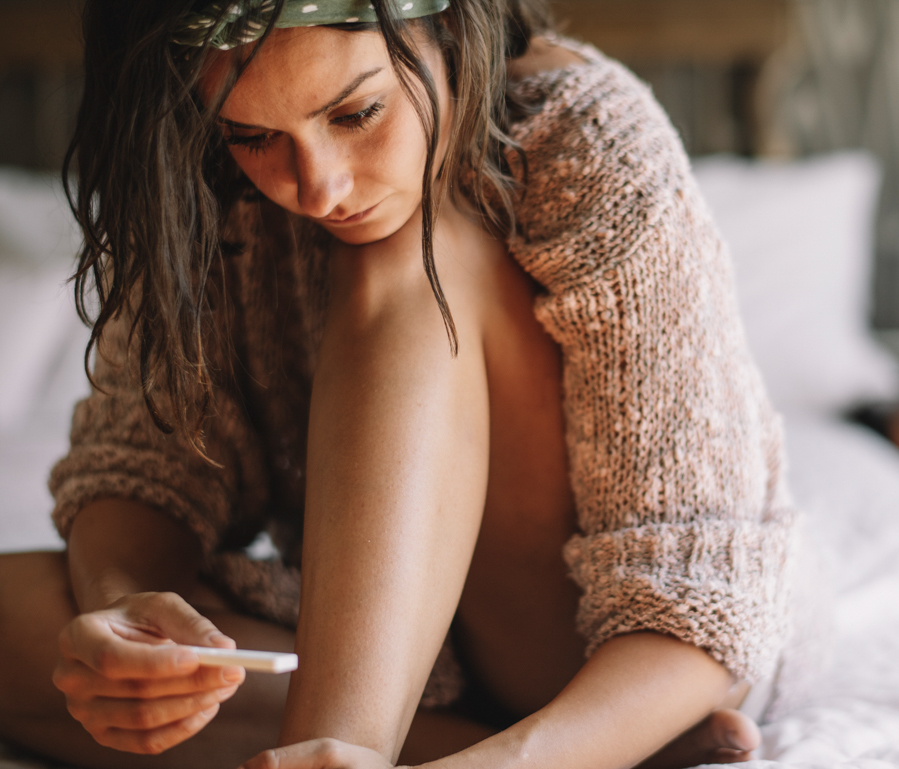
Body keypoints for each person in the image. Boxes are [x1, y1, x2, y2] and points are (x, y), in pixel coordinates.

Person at [0, 1, 805, 767]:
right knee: (30, 624)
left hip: (614, 655)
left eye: (355, 114)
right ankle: (557, 753)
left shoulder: (591, 144)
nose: (317, 189)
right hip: (384, 650)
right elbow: (144, 463)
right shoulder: (204, 181)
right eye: (252, 134)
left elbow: (701, 606)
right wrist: (127, 613)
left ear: (448, 26)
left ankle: (374, 739)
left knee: (401, 250)